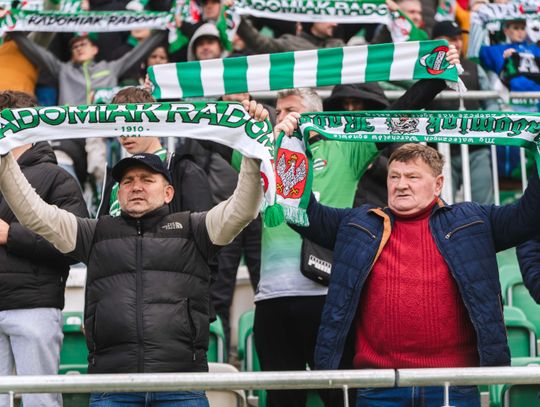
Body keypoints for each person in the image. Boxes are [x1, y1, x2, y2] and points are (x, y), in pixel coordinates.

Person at [0, 99, 268, 407]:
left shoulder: (194, 228)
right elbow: (34, 213)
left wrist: (251, 153)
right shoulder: (95, 233)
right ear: (118, 191)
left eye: (147, 179)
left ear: (169, 192)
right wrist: (5, 154)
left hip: (181, 384)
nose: (136, 186)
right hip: (112, 386)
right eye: (127, 181)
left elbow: (242, 209)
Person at [254, 45, 461, 407]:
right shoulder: (265, 153)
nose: (280, 117)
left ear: (313, 116)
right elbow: (231, 146)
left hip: (327, 295)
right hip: (271, 300)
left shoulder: (345, 149)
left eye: (289, 110)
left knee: (340, 397)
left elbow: (393, 116)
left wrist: (435, 80)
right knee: (281, 401)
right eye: (277, 110)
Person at [275, 134, 540, 405]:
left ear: (438, 184)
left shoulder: (474, 221)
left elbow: (529, 216)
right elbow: (299, 212)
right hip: (377, 386)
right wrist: (290, 148)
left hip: (453, 384)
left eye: (412, 177)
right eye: (394, 177)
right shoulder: (357, 224)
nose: (401, 185)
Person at [0, 91, 89, 407]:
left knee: (41, 401)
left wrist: (11, 235)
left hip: (34, 306)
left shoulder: (58, 178)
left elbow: (75, 244)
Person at [97, 87, 212, 217]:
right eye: (118, 126)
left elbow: (200, 226)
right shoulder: (115, 178)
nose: (124, 134)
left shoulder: (185, 170)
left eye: (132, 124)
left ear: (153, 122)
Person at [428, 20, 498, 204]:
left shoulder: (474, 67)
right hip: (437, 152)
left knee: (483, 206)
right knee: (440, 207)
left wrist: (486, 125)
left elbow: (491, 101)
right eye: (451, 39)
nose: (458, 43)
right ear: (435, 41)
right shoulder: (425, 69)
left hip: (475, 148)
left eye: (459, 39)